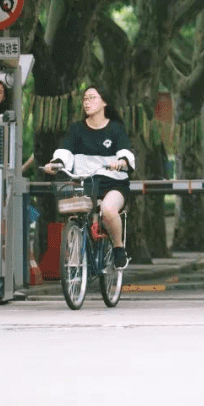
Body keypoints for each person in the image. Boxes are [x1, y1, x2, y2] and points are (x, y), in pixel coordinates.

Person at [42, 85, 136, 270]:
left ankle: (118, 249)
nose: (87, 102)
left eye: (92, 98)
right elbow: (65, 151)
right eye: (85, 99)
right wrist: (55, 163)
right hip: (85, 183)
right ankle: (77, 261)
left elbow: (126, 153)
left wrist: (122, 162)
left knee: (108, 210)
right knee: (73, 212)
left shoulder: (116, 129)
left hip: (113, 184)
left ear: (104, 102)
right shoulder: (76, 129)